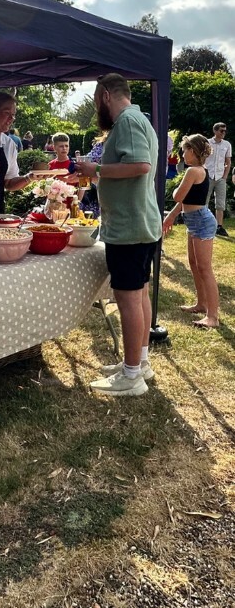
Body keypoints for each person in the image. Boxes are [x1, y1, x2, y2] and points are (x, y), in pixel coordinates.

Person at [75, 73, 162, 398]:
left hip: (129, 228)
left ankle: (130, 376)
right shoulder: (139, 120)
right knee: (138, 295)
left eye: (97, 99)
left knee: (128, 299)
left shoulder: (127, 121)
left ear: (106, 94)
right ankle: (139, 363)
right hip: (139, 224)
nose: (98, 106)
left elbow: (139, 166)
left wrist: (94, 170)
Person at [162, 134, 219, 329]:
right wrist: (170, 216)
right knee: (194, 264)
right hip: (194, 221)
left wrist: (178, 185)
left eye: (184, 150)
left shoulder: (193, 171)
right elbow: (186, 201)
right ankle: (201, 304)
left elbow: (178, 195)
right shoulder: (198, 170)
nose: (182, 154)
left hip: (201, 222)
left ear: (192, 151)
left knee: (205, 268)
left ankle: (213, 317)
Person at [204, 122, 231, 237]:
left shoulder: (227, 144)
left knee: (220, 203)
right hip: (208, 175)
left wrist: (225, 176)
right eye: (221, 131)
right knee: (204, 200)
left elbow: (228, 162)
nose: (223, 133)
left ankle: (219, 226)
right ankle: (204, 224)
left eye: (225, 131)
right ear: (215, 131)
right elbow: (202, 157)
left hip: (220, 177)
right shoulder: (207, 143)